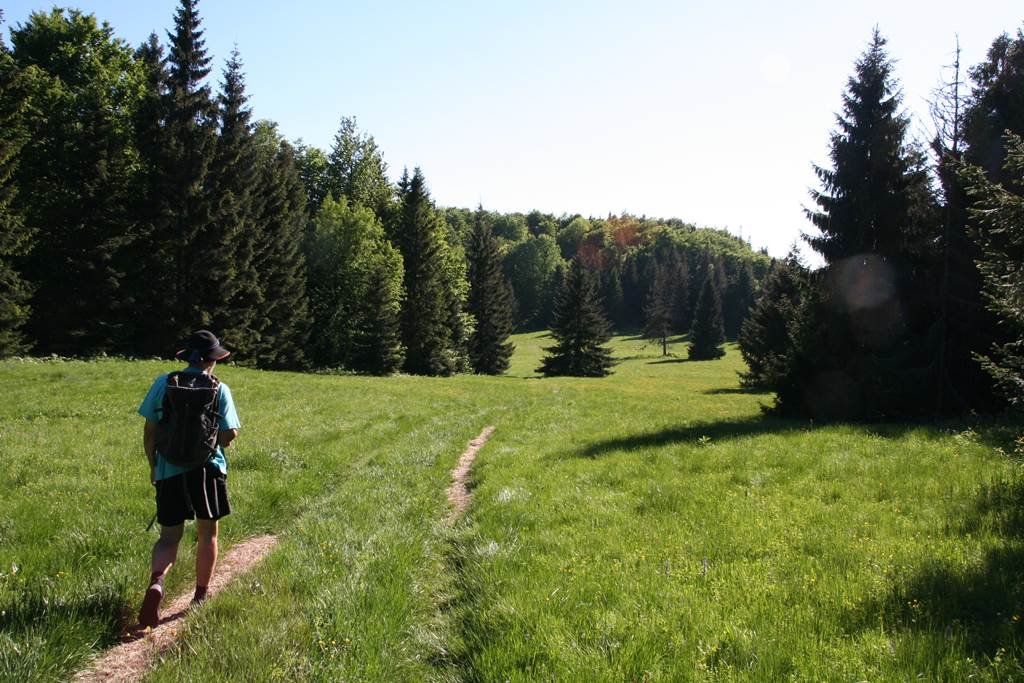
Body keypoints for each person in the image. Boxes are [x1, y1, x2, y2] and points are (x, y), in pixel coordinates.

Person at [135, 329, 241, 629]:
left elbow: (150, 431)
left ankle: (157, 582)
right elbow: (230, 433)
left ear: (188, 357)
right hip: (207, 470)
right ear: (213, 360)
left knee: (169, 537)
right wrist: (217, 440)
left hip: (168, 469)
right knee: (208, 534)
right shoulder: (220, 389)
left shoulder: (165, 382)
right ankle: (200, 596)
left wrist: (154, 466)